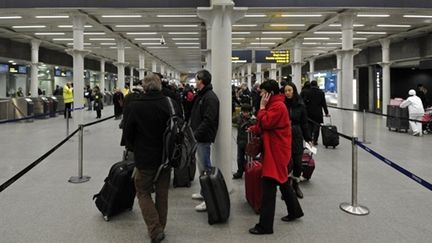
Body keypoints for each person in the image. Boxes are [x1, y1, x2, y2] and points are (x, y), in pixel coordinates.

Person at [123, 74, 178, 243]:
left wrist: (133, 148)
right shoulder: (170, 104)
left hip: (144, 157)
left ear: (144, 87)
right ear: (160, 85)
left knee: (143, 191)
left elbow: (127, 135)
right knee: (162, 193)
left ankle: (155, 229)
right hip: (166, 157)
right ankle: (160, 226)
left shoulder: (134, 106)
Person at [248, 80, 303, 235]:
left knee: (268, 189)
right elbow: (264, 125)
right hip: (274, 150)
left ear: (269, 93)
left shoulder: (278, 106)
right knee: (283, 182)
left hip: (276, 153)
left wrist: (262, 108)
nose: (260, 94)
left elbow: (266, 122)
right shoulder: (276, 104)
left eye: (262, 91)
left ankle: (265, 226)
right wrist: (254, 127)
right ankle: (295, 211)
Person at [189, 69, 220, 212]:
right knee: (202, 167)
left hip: (203, 137)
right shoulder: (202, 95)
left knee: (205, 168)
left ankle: (209, 199)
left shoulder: (210, 97)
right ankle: (203, 193)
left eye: (196, 79)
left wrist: (196, 134)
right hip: (199, 137)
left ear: (201, 81)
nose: (195, 81)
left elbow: (209, 120)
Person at [283, 82, 312, 198]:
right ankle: (287, 188)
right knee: (286, 163)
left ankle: (296, 184)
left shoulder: (300, 104)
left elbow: (304, 123)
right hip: (284, 136)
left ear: (294, 90)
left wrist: (308, 138)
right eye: (285, 91)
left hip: (297, 135)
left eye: (289, 90)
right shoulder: (282, 104)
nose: (287, 93)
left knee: (297, 163)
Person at [232, 104, 256, 179]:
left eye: (247, 112)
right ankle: (240, 171)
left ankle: (250, 171)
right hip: (240, 141)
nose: (245, 113)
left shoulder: (253, 120)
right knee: (240, 158)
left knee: (250, 158)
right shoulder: (239, 117)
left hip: (249, 142)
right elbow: (233, 120)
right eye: (244, 112)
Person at [302, 80, 329, 145]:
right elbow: (324, 103)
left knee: (310, 127)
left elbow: (304, 102)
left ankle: (310, 139)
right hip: (318, 113)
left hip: (309, 113)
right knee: (317, 127)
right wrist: (326, 112)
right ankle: (315, 140)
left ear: (311, 85)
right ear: (317, 85)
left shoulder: (307, 92)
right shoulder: (321, 92)